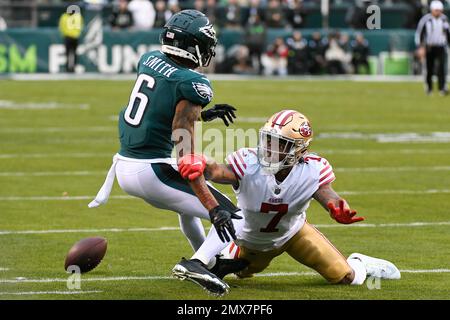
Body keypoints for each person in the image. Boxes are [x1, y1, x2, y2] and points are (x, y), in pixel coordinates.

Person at [88, 10, 245, 295]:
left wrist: (203, 114)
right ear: (194, 46)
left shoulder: (149, 59)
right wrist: (214, 207)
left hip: (127, 164)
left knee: (186, 211)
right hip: (151, 170)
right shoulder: (192, 83)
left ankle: (211, 262)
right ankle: (197, 263)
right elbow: (187, 157)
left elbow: (158, 106)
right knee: (238, 216)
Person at [176, 110, 401, 295]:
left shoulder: (312, 169)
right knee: (234, 274)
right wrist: (202, 164)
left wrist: (336, 206)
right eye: (268, 140)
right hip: (252, 243)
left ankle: (361, 262)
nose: (270, 148)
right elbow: (218, 171)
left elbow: (326, 193)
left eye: (280, 143)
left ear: (299, 149)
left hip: (295, 235)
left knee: (345, 277)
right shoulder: (248, 162)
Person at [415, 0, 450, 96]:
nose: (438, 12)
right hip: (429, 47)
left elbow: (448, 34)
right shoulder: (426, 20)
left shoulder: (444, 19)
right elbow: (419, 34)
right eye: (436, 10)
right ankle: (429, 88)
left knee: (442, 68)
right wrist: (420, 47)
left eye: (440, 10)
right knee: (429, 68)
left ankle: (442, 88)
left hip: (441, 46)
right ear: (432, 10)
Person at [58, 6, 84, 73]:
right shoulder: (77, 16)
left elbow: (61, 26)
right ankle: (69, 68)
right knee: (70, 53)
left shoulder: (65, 16)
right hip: (71, 37)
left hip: (71, 37)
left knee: (72, 53)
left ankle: (71, 68)